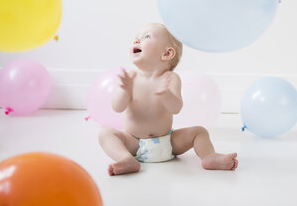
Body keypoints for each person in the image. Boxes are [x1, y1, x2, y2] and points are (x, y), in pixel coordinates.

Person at [98, 23, 238, 176]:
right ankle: (126, 159)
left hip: (168, 141)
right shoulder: (131, 78)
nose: (137, 41)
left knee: (200, 132)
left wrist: (166, 95)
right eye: (136, 38)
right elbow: (117, 107)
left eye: (146, 37)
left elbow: (176, 108)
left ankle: (209, 156)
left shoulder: (170, 78)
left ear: (167, 54)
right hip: (134, 142)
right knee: (105, 134)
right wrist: (124, 91)